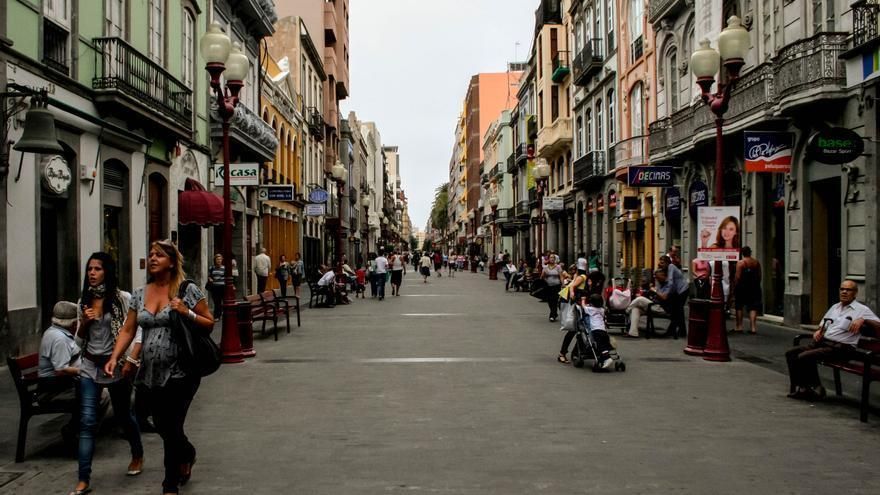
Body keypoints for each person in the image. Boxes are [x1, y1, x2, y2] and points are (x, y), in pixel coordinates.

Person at [106, 240, 214, 495]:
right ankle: (187, 453)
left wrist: (186, 312)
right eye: (151, 254)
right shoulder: (140, 294)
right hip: (150, 373)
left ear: (172, 261)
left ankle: (169, 485)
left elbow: (209, 323)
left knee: (172, 425)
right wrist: (115, 356)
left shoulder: (187, 291)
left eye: (159, 255)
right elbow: (129, 329)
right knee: (165, 427)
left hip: (183, 371)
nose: (152, 258)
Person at [70, 253, 144, 495]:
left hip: (117, 366)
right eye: (89, 269)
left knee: (124, 416)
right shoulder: (85, 300)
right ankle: (83, 480)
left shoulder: (123, 299)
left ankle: (137, 454)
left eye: (97, 269)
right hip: (90, 366)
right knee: (88, 422)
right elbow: (78, 341)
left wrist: (131, 360)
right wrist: (85, 323)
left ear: (107, 272)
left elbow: (136, 331)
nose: (92, 273)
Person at [785, 280, 880, 400]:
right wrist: (819, 331)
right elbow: (823, 324)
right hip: (823, 343)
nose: (844, 292)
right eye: (842, 289)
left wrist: (864, 320)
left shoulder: (862, 310)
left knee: (804, 356)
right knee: (791, 354)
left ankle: (816, 387)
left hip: (841, 348)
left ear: (855, 293)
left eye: (848, 290)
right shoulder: (835, 307)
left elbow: (878, 326)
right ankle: (804, 388)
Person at [38, 301, 82, 439]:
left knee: (97, 392)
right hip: (54, 389)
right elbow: (61, 370)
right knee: (98, 395)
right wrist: (83, 372)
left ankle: (80, 429)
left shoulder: (56, 332)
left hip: (60, 385)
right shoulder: (59, 339)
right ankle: (76, 431)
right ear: (74, 323)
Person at [558, 259, 589, 364]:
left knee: (579, 330)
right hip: (579, 306)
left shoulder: (577, 276)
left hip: (579, 305)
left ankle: (574, 352)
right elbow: (572, 286)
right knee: (576, 330)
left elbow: (572, 285)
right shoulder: (582, 277)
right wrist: (572, 292)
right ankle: (564, 353)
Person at [733, 246, 762, 334]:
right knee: (753, 307)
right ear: (750, 252)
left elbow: (737, 277)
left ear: (742, 253)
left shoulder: (741, 263)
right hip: (754, 287)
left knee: (739, 306)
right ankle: (753, 328)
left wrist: (735, 286)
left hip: (742, 287)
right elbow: (760, 275)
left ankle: (739, 326)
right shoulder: (756, 262)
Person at [659, 255, 690, 338]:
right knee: (679, 311)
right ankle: (680, 331)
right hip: (678, 291)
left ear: (667, 262)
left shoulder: (671, 267)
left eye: (662, 263)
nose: (661, 264)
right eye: (660, 263)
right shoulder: (667, 269)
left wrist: (666, 293)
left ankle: (677, 331)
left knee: (679, 310)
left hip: (683, 289)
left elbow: (670, 282)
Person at [541, 255, 564, 322]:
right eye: (550, 258)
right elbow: (542, 277)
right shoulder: (545, 267)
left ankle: (552, 315)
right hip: (548, 286)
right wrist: (544, 274)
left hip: (556, 286)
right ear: (548, 259)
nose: (552, 259)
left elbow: (561, 276)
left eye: (553, 258)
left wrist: (563, 284)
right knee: (549, 300)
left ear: (555, 259)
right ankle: (554, 313)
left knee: (555, 300)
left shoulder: (558, 267)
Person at [207, 254, 225, 319]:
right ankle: (217, 316)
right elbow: (209, 275)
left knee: (222, 301)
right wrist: (210, 278)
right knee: (216, 302)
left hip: (222, 287)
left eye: (220, 259)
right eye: (217, 259)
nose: (219, 261)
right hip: (214, 287)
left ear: (222, 260)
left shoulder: (224, 268)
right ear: (215, 260)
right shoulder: (211, 268)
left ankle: (219, 314)